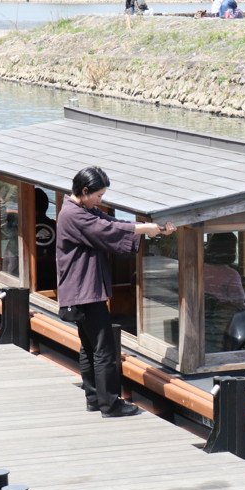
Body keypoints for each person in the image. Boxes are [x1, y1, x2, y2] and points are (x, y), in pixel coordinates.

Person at [56, 166, 176, 417]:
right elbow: (105, 230)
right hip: (84, 291)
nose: (102, 199)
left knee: (89, 347)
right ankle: (110, 404)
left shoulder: (82, 210)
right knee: (104, 349)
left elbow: (112, 223)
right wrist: (146, 229)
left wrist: (150, 229)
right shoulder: (74, 215)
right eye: (99, 195)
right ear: (85, 191)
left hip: (80, 291)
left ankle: (94, 399)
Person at [35, 187, 57, 291]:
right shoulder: (57, 227)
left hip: (31, 287)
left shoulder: (23, 230)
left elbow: (11, 263)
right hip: (56, 283)